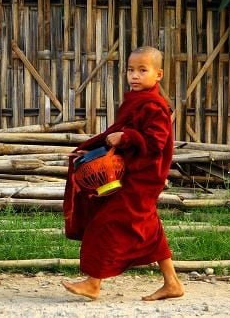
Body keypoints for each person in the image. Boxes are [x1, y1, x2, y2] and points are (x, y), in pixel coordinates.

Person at [61, 46, 184, 301]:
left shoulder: (155, 107)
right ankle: (172, 283)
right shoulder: (135, 100)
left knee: (106, 223)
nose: (134, 76)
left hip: (142, 178)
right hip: (129, 174)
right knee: (149, 227)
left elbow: (155, 143)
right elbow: (119, 135)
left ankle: (93, 283)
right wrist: (95, 149)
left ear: (158, 74)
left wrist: (127, 137)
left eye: (142, 70)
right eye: (130, 70)